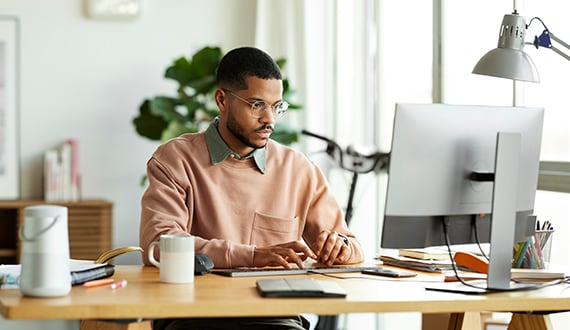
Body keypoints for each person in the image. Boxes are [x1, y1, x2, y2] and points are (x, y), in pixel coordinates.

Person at [139, 46, 364, 330]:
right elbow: (159, 245)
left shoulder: (298, 169)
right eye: (257, 104)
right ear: (222, 99)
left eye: (276, 106)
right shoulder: (175, 159)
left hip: (275, 319)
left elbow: (353, 246)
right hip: (193, 316)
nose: (270, 119)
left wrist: (339, 248)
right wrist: (254, 256)